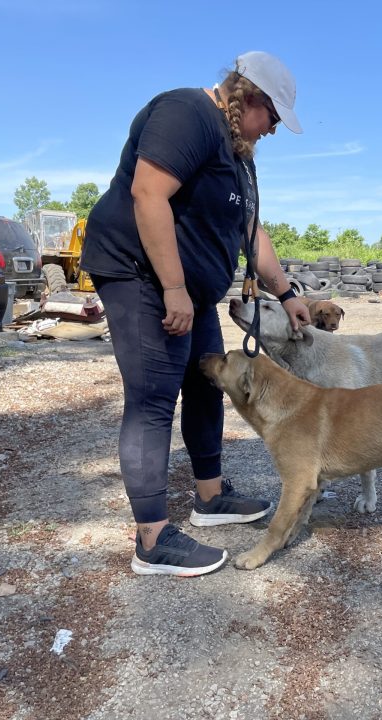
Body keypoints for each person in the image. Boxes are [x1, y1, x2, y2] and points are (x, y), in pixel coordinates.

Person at [80, 51, 310, 577]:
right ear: (249, 96)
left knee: (209, 381)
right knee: (153, 399)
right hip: (140, 274)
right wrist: (175, 288)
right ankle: (152, 541)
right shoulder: (187, 113)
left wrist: (287, 293)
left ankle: (209, 498)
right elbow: (148, 193)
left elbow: (253, 233)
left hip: (191, 290)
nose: (272, 131)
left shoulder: (239, 152)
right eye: (272, 118)